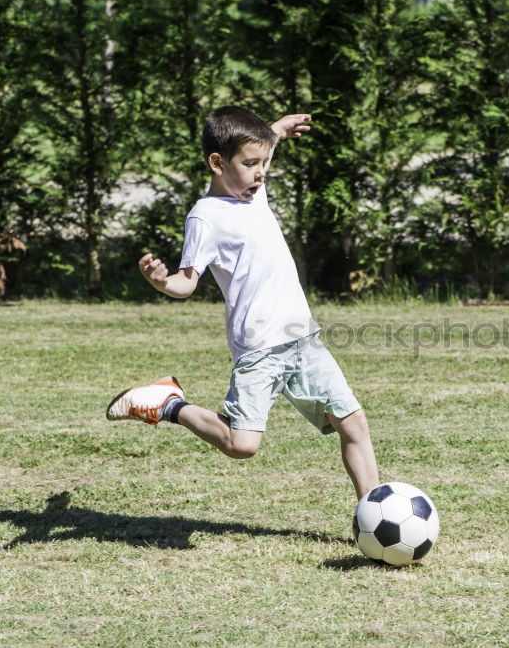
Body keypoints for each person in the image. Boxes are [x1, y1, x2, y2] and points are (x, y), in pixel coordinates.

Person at [106, 106, 379, 500]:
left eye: (265, 163)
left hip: (302, 338)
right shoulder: (206, 217)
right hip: (259, 348)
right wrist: (163, 282)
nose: (261, 172)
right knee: (241, 445)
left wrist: (276, 132)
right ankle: (167, 403)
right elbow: (187, 281)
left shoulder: (254, 191)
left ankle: (372, 512)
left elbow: (258, 148)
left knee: (354, 425)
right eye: (251, 164)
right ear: (217, 163)